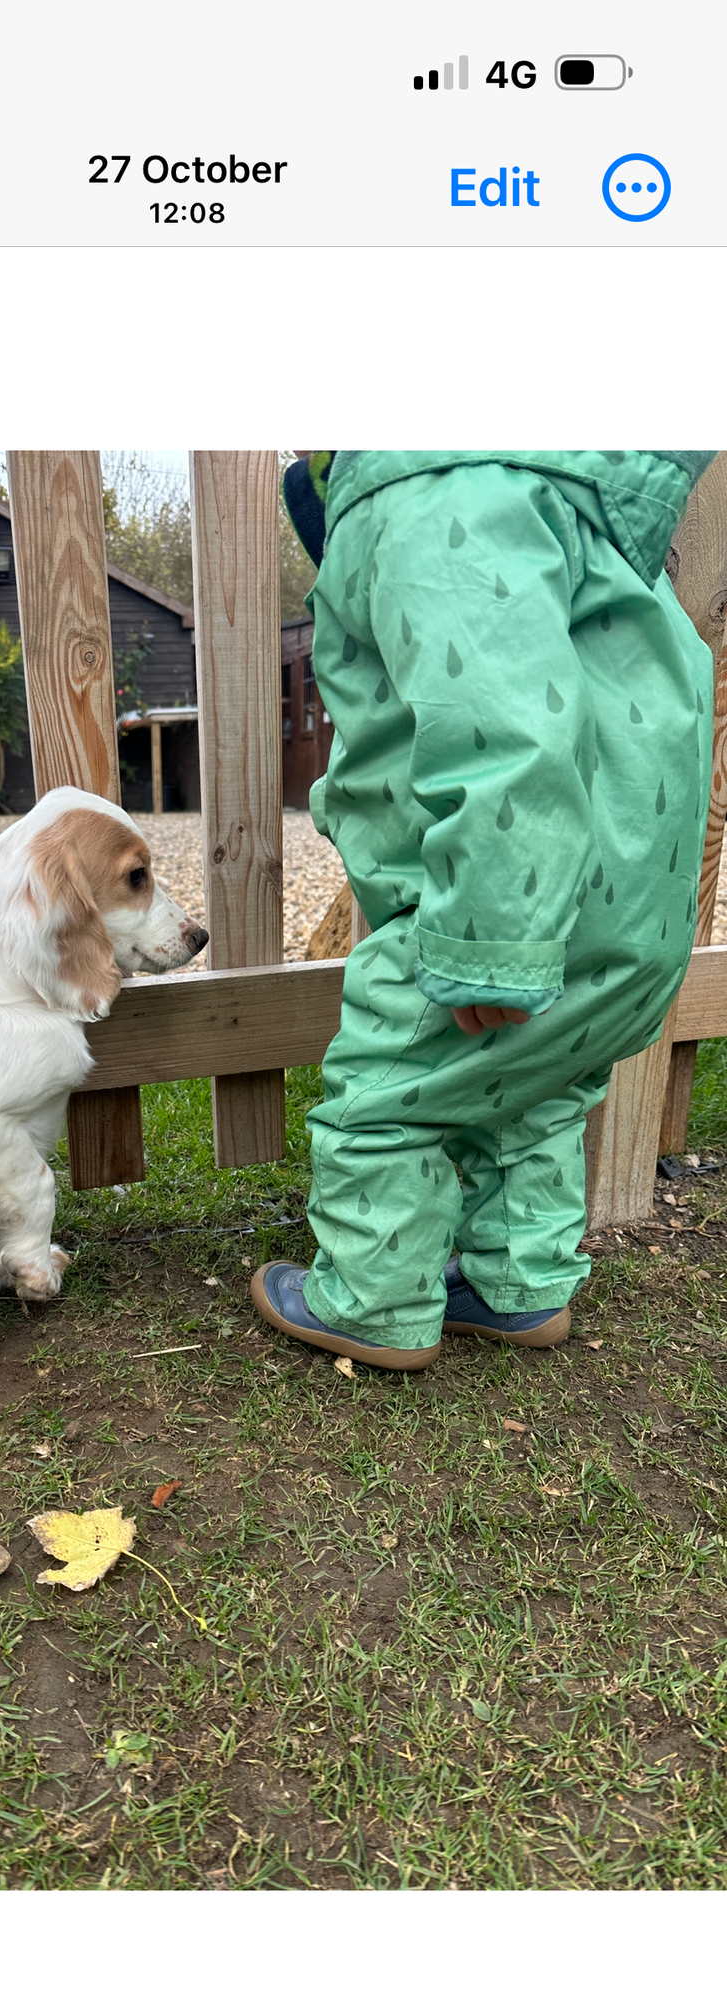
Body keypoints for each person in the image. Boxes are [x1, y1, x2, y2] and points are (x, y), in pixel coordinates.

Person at [254, 451, 714, 1367]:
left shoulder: (445, 488)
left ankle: (372, 1300)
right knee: (535, 1088)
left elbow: (500, 722)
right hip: (626, 906)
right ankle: (520, 1285)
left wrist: (492, 938)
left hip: (512, 903)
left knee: (385, 1093)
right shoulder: (567, 497)